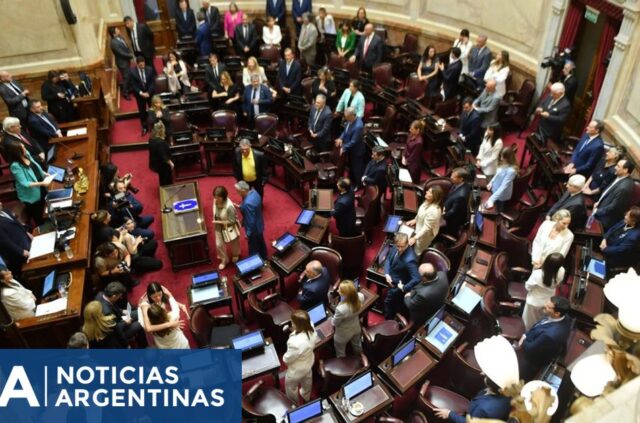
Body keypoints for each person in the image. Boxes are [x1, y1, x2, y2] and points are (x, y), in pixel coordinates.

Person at [517, 296, 572, 381]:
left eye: (548, 307)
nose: (544, 305)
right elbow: (539, 325)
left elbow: (531, 349)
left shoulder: (550, 335)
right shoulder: (565, 317)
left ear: (557, 313)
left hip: (530, 360)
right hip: (535, 340)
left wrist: (523, 341)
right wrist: (525, 335)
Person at [5, 141, 50, 226]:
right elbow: (25, 183)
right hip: (31, 194)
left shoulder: (26, 154)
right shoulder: (15, 166)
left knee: (46, 208)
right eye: (23, 148)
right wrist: (42, 183)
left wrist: (44, 173)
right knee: (39, 216)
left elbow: (35, 167)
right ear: (17, 152)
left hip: (41, 186)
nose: (25, 149)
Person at [434, 377, 512, 423]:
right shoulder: (509, 393)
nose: (482, 373)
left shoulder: (484, 409)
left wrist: (449, 414)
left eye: (486, 376)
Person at [138, 282, 188, 349]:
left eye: (160, 295)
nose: (158, 298)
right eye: (154, 297)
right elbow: (148, 328)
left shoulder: (148, 315)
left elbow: (167, 300)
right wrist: (170, 324)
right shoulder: (174, 316)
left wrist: (180, 305)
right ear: (149, 296)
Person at [96, 282, 147, 347]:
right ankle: (143, 346)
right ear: (114, 296)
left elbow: (112, 305)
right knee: (140, 324)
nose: (121, 298)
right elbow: (117, 329)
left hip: (118, 317)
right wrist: (125, 322)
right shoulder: (107, 313)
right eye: (119, 296)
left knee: (139, 313)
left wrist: (122, 311)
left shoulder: (101, 294)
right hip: (117, 332)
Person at [383, 233, 421, 320]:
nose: (400, 249)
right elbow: (388, 259)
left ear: (407, 244)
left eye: (402, 246)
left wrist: (404, 287)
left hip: (397, 286)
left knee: (388, 303)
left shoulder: (410, 259)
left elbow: (417, 278)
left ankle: (388, 321)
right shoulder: (395, 246)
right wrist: (387, 273)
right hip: (391, 277)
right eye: (398, 246)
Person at [523, 253, 565, 330]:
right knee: (541, 321)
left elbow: (527, 287)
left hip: (534, 302)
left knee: (528, 323)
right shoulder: (562, 271)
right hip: (548, 301)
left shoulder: (537, 274)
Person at [283, 310, 317, 403]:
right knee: (307, 382)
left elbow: (288, 359)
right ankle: (306, 396)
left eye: (293, 322)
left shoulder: (294, 343)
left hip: (296, 370)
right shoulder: (311, 326)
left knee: (291, 387)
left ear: (299, 325)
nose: (292, 324)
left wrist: (284, 358)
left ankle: (294, 403)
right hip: (309, 363)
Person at [593, 159, 635, 230]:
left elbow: (614, 207)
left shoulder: (624, 188)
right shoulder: (619, 176)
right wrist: (599, 202)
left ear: (625, 170)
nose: (615, 167)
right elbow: (608, 192)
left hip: (604, 219)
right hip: (600, 207)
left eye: (618, 166)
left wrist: (597, 211)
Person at [406, 186, 444, 256]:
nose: (426, 192)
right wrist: (415, 220)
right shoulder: (427, 201)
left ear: (434, 196)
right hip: (419, 228)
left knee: (417, 251)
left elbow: (426, 228)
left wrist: (415, 238)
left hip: (425, 235)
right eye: (428, 191)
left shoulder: (434, 211)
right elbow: (421, 211)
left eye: (429, 192)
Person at [600, 207, 640, 272]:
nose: (625, 216)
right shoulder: (624, 222)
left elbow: (620, 249)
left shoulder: (634, 236)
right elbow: (611, 229)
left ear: (634, 221)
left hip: (613, 256)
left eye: (628, 216)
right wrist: (604, 239)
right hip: (605, 244)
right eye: (626, 214)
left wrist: (605, 249)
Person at [212, 185, 241, 270]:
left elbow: (232, 221)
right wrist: (218, 222)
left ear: (223, 197)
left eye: (218, 197)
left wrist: (218, 222)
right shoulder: (215, 200)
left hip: (230, 227)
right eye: (215, 197)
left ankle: (235, 254)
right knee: (219, 244)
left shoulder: (229, 206)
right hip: (219, 227)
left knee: (234, 242)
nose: (216, 199)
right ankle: (224, 260)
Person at [236, 181, 267, 259]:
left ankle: (255, 263)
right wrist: (240, 206)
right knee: (261, 243)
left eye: (238, 191)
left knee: (253, 248)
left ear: (243, 190)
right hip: (259, 224)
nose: (237, 193)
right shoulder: (254, 193)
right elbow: (254, 207)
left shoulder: (247, 204)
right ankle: (264, 257)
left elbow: (251, 221)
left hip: (254, 230)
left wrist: (248, 233)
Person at [332, 280, 364, 357]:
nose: (338, 291)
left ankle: (343, 364)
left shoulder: (341, 309)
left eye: (340, 290)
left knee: (340, 352)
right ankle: (360, 359)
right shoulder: (360, 296)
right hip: (356, 327)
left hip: (343, 334)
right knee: (357, 346)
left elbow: (335, 323)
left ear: (345, 295)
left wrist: (331, 319)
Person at [0, 201, 32, 277]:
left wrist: (27, 233)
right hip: (17, 254)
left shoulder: (5, 211)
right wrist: (21, 252)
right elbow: (6, 242)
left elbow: (17, 223)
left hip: (25, 241)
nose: (1, 203)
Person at [336, 107, 366, 187]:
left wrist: (344, 147)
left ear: (352, 115)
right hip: (350, 150)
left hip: (357, 152)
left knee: (357, 170)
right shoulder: (350, 120)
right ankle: (352, 181)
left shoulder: (358, 126)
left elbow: (354, 141)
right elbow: (345, 131)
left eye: (347, 117)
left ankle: (359, 185)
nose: (345, 118)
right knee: (351, 168)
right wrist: (341, 138)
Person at [483, 147, 518, 211]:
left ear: (508, 158)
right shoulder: (503, 162)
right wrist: (491, 183)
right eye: (501, 156)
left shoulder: (511, 171)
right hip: (495, 188)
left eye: (503, 157)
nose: (501, 159)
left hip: (501, 194)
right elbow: (497, 174)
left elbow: (503, 187)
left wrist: (491, 199)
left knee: (497, 210)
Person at [129, 57, 155, 135]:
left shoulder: (150, 69)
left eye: (143, 64)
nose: (142, 66)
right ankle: (144, 127)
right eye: (140, 65)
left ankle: (153, 125)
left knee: (152, 110)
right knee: (142, 112)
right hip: (140, 95)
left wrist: (148, 93)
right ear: (137, 64)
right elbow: (133, 85)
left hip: (150, 94)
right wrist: (141, 93)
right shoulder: (132, 71)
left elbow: (152, 83)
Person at [443, 168, 472, 236]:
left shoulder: (461, 196)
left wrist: (442, 216)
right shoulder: (461, 184)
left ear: (461, 179)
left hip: (451, 222)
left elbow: (453, 212)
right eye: (451, 175)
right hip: (448, 208)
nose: (451, 177)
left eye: (454, 177)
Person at [109, 27, 135, 99]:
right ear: (114, 34)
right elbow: (121, 53)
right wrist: (131, 55)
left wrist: (129, 53)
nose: (119, 30)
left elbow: (126, 47)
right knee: (126, 77)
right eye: (117, 30)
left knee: (128, 75)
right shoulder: (113, 43)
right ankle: (125, 93)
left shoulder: (120, 38)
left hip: (126, 60)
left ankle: (130, 89)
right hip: (122, 63)